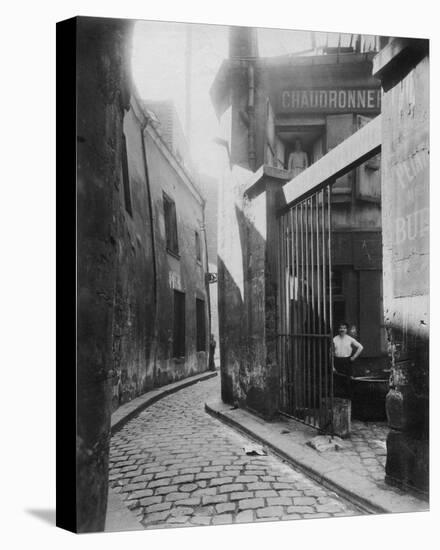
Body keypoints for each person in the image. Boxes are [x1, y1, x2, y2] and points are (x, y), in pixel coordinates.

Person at [332, 321, 363, 398]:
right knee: (337, 382)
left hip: (347, 362)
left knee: (348, 383)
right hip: (337, 362)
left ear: (347, 330)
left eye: (344, 328)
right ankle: (338, 400)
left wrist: (353, 357)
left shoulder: (350, 339)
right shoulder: (334, 339)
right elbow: (331, 354)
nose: (342, 330)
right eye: (340, 328)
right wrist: (332, 366)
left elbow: (360, 347)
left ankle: (349, 399)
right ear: (338, 329)